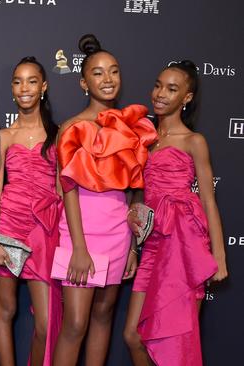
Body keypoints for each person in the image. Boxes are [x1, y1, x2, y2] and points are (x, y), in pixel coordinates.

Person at [52, 34, 157, 366]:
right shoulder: (73, 127)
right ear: (84, 82)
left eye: (113, 71)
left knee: (103, 315)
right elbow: (67, 190)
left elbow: (131, 191)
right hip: (81, 233)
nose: (108, 79)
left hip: (117, 232)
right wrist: (79, 248)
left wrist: (131, 247)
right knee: (75, 324)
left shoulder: (131, 128)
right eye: (98, 73)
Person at [123, 60, 228, 366]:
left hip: (183, 243)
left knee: (175, 340)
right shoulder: (145, 139)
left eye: (172, 89)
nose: (160, 94)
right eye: (158, 85)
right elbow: (138, 197)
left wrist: (218, 257)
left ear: (187, 97)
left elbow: (209, 200)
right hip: (153, 243)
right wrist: (132, 247)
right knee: (133, 335)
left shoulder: (194, 141)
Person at [0, 56, 62, 366]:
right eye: (17, 81)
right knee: (6, 310)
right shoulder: (4, 136)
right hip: (8, 229)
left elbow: (62, 192)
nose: (24, 88)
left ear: (43, 87)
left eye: (31, 81)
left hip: (44, 231)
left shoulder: (58, 135)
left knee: (45, 321)